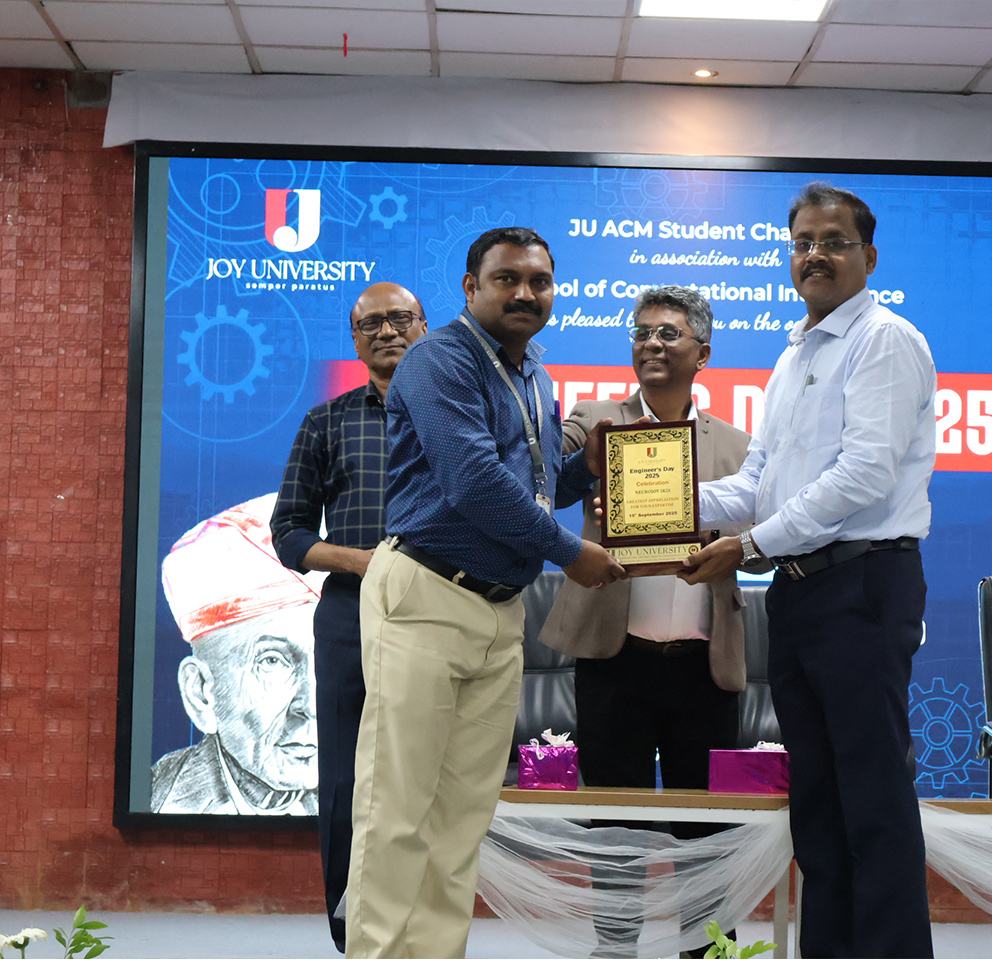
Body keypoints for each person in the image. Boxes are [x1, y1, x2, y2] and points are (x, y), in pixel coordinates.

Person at [343, 227, 627, 958]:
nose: (525, 293)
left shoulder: (535, 375)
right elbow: (472, 482)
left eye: (539, 281)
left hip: (501, 611)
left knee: (463, 816)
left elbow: (534, 488)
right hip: (427, 595)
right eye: (507, 279)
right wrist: (571, 553)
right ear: (471, 288)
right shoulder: (440, 359)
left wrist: (590, 469)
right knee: (398, 806)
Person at [681, 183, 937, 958]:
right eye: (802, 243)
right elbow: (757, 484)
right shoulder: (795, 355)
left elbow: (864, 475)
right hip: (799, 595)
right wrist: (659, 506)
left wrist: (749, 546)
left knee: (873, 802)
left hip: (862, 586)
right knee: (818, 810)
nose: (815, 255)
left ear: (869, 256)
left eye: (833, 241)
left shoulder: (884, 340)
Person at [538, 285, 749, 957]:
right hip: (615, 656)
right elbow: (545, 483)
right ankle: (615, 947)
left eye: (668, 333)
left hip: (704, 663)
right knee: (614, 822)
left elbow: (767, 534)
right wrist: (585, 470)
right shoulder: (595, 419)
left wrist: (731, 547)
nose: (651, 343)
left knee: (707, 827)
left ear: (702, 354)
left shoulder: (738, 445)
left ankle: (708, 950)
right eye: (641, 333)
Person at [270, 282, 427, 952]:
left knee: (424, 775)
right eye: (371, 324)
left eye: (400, 319)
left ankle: (421, 921)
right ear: (356, 340)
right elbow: (288, 534)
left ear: (425, 327)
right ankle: (351, 929)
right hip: (349, 614)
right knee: (345, 776)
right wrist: (363, 563)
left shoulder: (459, 417)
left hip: (441, 614)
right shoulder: (326, 422)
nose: (387, 331)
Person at [152, 493, 323, 817]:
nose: (312, 708)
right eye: (272, 661)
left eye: (328, 659)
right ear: (201, 693)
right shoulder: (157, 799)